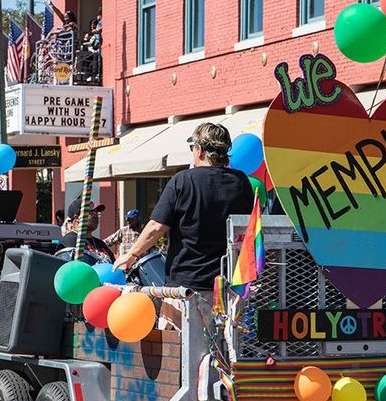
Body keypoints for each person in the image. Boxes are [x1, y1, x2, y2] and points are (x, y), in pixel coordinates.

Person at [113, 122, 254, 290]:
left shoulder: (183, 180)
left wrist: (131, 255)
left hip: (186, 285)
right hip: (229, 283)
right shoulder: (241, 182)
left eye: (192, 148)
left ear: (200, 150)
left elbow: (156, 227)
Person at [59, 198, 114, 264]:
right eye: (92, 213)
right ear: (77, 218)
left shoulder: (100, 243)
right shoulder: (70, 240)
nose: (95, 216)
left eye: (96, 213)